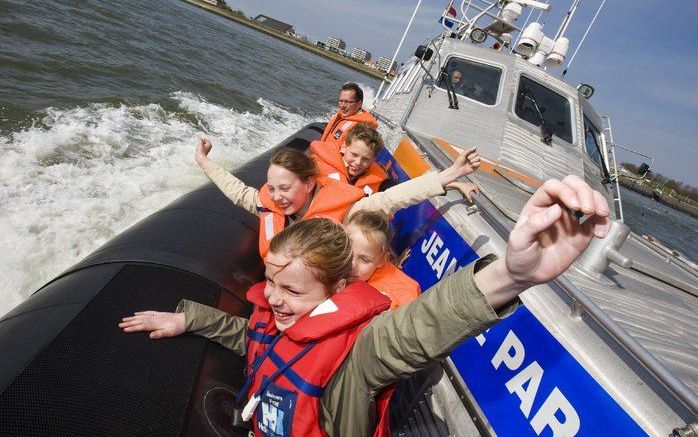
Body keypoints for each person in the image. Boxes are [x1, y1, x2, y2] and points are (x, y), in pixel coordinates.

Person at [120, 175, 611, 436]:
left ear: (337, 292)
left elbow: (417, 330)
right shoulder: (277, 316)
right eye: (271, 282)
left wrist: (512, 273)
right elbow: (252, 337)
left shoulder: (358, 357)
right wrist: (190, 317)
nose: (273, 299)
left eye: (292, 293)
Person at [195, 137, 480, 257]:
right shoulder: (270, 204)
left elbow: (391, 198)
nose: (277, 197)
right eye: (272, 188)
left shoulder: (346, 211)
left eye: (285, 188)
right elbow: (239, 193)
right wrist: (205, 162)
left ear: (308, 184)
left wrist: (449, 176)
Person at [346, 210, 419, 310]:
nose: (352, 264)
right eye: (348, 251)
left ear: (382, 260)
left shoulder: (392, 300)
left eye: (364, 259)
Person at [311, 123, 388, 196]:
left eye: (365, 159)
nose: (358, 162)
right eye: (354, 155)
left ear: (373, 160)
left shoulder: (379, 182)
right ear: (344, 148)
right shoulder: (316, 167)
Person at [320, 82, 378, 149]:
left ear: (359, 103)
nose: (342, 106)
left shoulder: (361, 129)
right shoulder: (341, 115)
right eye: (341, 101)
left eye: (347, 102)